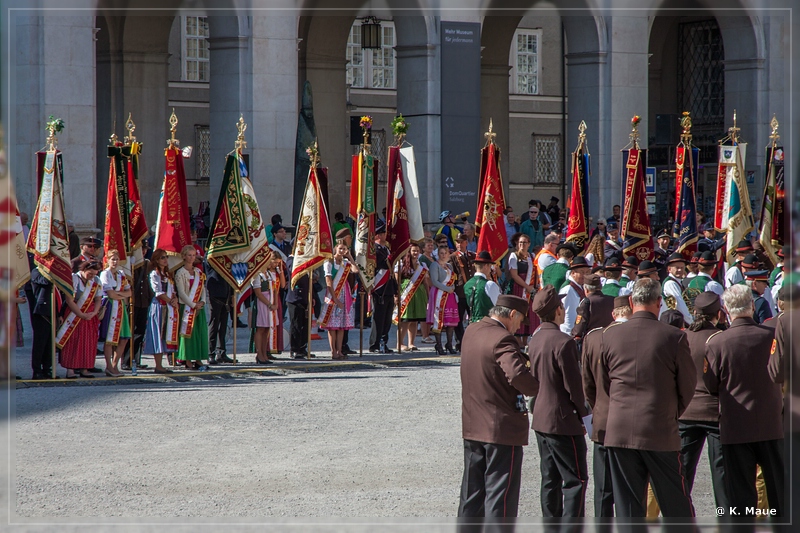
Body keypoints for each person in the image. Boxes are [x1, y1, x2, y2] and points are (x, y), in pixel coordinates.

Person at [598, 277, 696, 518]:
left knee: (628, 507)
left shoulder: (610, 336)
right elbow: (688, 386)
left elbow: (603, 384)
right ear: (659, 303)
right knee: (676, 503)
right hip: (659, 426)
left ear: (631, 302)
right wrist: (671, 412)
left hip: (620, 428)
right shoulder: (674, 337)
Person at [704, 284, 785, 519]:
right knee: (779, 492)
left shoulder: (717, 343)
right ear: (752, 306)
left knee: (740, 497)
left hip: (736, 426)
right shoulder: (771, 336)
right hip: (771, 423)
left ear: (726, 311)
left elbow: (710, 385)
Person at [458, 294, 540, 520]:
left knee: (471, 493)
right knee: (500, 494)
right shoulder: (502, 338)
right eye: (519, 320)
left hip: (473, 424)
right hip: (501, 427)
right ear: (511, 315)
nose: (517, 327)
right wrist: (537, 387)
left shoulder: (472, 330)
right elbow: (516, 374)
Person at [528, 285, 588, 517]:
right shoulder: (564, 342)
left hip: (541, 417)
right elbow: (573, 387)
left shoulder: (535, 339)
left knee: (549, 478)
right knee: (575, 480)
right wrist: (584, 414)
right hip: (563, 419)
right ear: (557, 311)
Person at [678, 292, 729, 511]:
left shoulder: (683, 337)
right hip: (714, 411)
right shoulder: (719, 338)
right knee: (721, 473)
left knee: (682, 473)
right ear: (718, 313)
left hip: (686, 411)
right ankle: (726, 519)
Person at [581, 295, 631, 519]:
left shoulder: (593, 338)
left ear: (613, 314)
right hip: (630, 420)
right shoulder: (637, 336)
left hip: (602, 416)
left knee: (603, 486)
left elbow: (587, 384)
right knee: (628, 485)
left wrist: (597, 406)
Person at [56, 258, 104, 379]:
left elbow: (98, 299)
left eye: (94, 274)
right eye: (90, 273)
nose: (92, 276)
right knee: (73, 340)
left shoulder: (96, 280)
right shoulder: (74, 278)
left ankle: (85, 368)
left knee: (88, 341)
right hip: (75, 312)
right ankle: (70, 369)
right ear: (84, 269)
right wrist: (80, 314)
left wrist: (94, 312)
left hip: (90, 315)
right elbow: (69, 300)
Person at [320, 243, 358, 360]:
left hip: (344, 293)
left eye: (344, 249)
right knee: (332, 326)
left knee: (341, 325)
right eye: (340, 248)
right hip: (333, 294)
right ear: (336, 248)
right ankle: (333, 352)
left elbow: (355, 270)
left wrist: (350, 257)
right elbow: (329, 281)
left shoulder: (346, 263)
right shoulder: (329, 262)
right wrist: (335, 298)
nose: (342, 251)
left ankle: (339, 350)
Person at [174, 245, 209, 371]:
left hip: (199, 307)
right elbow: (182, 292)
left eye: (194, 255)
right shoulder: (180, 273)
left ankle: (198, 359)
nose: (192, 257)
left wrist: (203, 302)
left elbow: (203, 289)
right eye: (189, 255)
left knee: (199, 333)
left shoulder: (198, 272)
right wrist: (193, 305)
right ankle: (187, 359)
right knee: (188, 333)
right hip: (187, 307)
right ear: (184, 256)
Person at [142, 249, 177, 373]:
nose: (165, 259)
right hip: (159, 306)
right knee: (158, 333)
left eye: (166, 257)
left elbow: (172, 290)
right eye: (162, 257)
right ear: (157, 260)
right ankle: (158, 365)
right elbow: (158, 292)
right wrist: (170, 301)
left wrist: (174, 300)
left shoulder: (168, 274)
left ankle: (163, 363)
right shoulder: (154, 274)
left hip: (168, 306)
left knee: (165, 333)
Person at [98, 250, 131, 377]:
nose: (115, 262)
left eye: (117, 259)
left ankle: (115, 364)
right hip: (111, 307)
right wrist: (121, 295)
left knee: (123, 338)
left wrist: (119, 295)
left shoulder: (121, 274)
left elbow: (129, 293)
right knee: (110, 339)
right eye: (113, 259)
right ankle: (108, 366)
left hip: (120, 307)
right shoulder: (105, 274)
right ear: (107, 260)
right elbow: (110, 294)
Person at [393, 242, 429, 351]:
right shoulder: (401, 264)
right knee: (405, 319)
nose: (416, 253)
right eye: (413, 250)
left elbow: (425, 281)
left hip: (418, 294)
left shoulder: (422, 265)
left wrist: (428, 295)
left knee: (414, 320)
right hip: (406, 293)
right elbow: (396, 281)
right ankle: (400, 343)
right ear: (409, 251)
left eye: (417, 251)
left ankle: (411, 343)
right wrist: (396, 295)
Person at [250, 256, 284, 364]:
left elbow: (274, 289)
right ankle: (259, 354)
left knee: (267, 329)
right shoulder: (257, 276)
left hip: (270, 302)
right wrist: (269, 304)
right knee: (260, 329)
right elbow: (258, 293)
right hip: (262, 304)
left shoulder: (268, 274)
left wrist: (274, 303)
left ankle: (265, 354)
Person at [369, 222, 396, 354]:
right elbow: (381, 264)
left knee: (387, 318)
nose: (387, 235)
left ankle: (383, 342)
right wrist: (392, 258)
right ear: (378, 235)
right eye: (384, 233)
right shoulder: (375, 249)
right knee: (379, 317)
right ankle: (374, 344)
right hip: (379, 287)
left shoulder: (387, 249)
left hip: (389, 287)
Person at [427, 244, 459, 355]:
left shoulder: (449, 266)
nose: (443, 255)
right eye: (441, 253)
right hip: (438, 295)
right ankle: (439, 345)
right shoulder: (434, 265)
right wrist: (447, 289)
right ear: (438, 254)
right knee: (439, 320)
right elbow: (435, 282)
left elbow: (453, 281)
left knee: (450, 321)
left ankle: (449, 344)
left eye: (445, 253)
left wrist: (452, 288)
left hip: (449, 296)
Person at [507, 233, 539, 340]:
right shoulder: (514, 256)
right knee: (518, 311)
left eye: (524, 242)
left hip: (530, 288)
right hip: (519, 287)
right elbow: (514, 275)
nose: (522, 245)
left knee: (529, 312)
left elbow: (536, 272)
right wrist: (526, 286)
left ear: (529, 244)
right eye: (520, 242)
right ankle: (517, 338)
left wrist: (534, 286)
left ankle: (525, 339)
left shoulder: (531, 256)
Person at [28, 266, 56, 379]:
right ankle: (37, 370)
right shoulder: (36, 271)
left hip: (53, 310)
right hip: (41, 311)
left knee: (50, 343)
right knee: (40, 342)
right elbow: (45, 281)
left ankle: (47, 368)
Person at [449, 234, 475, 351]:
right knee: (458, 318)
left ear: (466, 243)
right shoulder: (453, 257)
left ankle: (471, 340)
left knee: (473, 317)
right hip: (459, 292)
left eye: (461, 242)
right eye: (457, 242)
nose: (459, 244)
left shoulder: (472, 255)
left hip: (471, 292)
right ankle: (460, 342)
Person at [571, 273, 614, 341]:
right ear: (600, 287)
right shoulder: (612, 300)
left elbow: (579, 328)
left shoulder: (586, 302)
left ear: (586, 289)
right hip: (609, 339)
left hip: (591, 341)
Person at [205, 263, 233, 365]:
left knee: (223, 325)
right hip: (214, 292)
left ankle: (221, 353)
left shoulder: (227, 259)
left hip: (226, 292)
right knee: (214, 324)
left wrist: (232, 295)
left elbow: (230, 276)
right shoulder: (211, 256)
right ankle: (210, 353)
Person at [463, 250, 501, 323]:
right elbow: (499, 306)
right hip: (487, 325)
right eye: (490, 266)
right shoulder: (490, 284)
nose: (490, 270)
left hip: (473, 324)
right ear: (486, 266)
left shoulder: (467, 284)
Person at [558, 256, 591, 335]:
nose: (585, 275)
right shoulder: (568, 289)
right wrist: (570, 334)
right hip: (569, 332)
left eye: (587, 272)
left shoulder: (580, 286)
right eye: (582, 272)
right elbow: (568, 314)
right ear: (573, 273)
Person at [662, 252, 694, 325]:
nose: (680, 270)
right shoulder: (670, 283)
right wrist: (691, 321)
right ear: (669, 269)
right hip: (672, 322)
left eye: (682, 268)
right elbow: (679, 303)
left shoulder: (678, 282)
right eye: (677, 268)